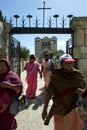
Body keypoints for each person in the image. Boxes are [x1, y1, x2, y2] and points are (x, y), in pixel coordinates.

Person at [42, 54, 87, 130]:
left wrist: (82, 91)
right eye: (66, 63)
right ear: (61, 64)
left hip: (75, 108)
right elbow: (49, 93)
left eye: (71, 62)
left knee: (76, 127)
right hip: (61, 109)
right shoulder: (56, 76)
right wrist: (45, 109)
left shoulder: (77, 74)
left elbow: (84, 87)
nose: (69, 64)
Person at [0, 59, 23, 130]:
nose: (2, 67)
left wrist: (8, 85)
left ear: (8, 66)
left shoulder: (13, 75)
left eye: (4, 65)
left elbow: (19, 87)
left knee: (7, 122)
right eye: (0, 65)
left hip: (8, 105)